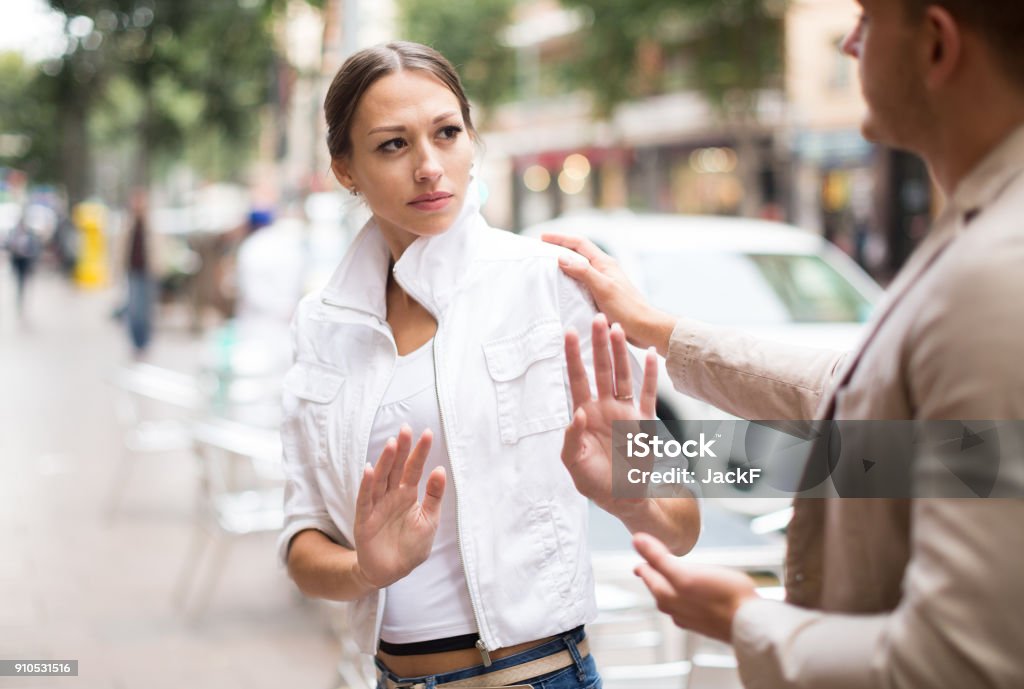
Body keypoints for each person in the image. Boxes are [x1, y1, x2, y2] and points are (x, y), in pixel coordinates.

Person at [546, 1, 1024, 687]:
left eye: (865, 19)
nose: (849, 44)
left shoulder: (997, 264)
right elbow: (921, 445)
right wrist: (652, 364)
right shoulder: (983, 228)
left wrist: (748, 617)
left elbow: (962, 659)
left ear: (938, 44)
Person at [278, 42, 700, 689]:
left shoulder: (546, 282)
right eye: (393, 145)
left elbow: (682, 523)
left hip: (534, 674)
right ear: (345, 168)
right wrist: (367, 569)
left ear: (472, 140)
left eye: (447, 134)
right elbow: (303, 540)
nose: (429, 167)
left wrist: (631, 487)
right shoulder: (322, 321)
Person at [122, 189, 156, 357]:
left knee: (145, 310)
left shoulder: (151, 224)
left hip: (147, 272)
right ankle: (136, 342)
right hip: (132, 272)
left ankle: (144, 342)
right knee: (134, 309)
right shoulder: (129, 224)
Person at [5, 211, 42, 316]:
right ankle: (19, 297)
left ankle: (22, 297)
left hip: (25, 261)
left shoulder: (30, 232)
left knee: (23, 280)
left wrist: (30, 255)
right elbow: (8, 243)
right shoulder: (13, 232)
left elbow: (35, 246)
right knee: (18, 280)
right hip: (17, 260)